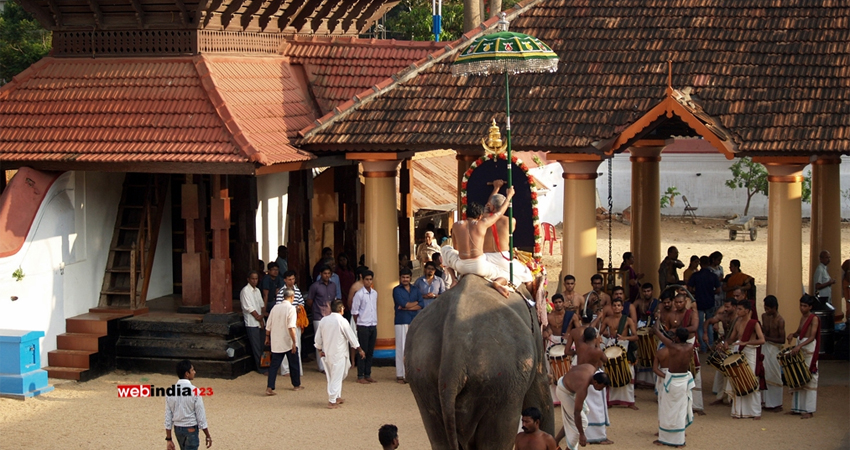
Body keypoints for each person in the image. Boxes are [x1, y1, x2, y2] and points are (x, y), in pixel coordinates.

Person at [441, 189, 515, 297]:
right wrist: (509, 196)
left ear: (466, 214)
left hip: (461, 266)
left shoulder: (456, 225)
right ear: (480, 216)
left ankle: (454, 280)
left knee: (445, 249)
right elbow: (499, 213)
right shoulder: (482, 223)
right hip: (480, 266)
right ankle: (497, 282)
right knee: (505, 275)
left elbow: (456, 247)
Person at [314, 300, 365, 409]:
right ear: (341, 309)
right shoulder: (342, 321)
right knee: (335, 377)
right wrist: (359, 349)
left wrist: (319, 349)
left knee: (337, 375)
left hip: (328, 353)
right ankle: (332, 401)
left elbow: (318, 338)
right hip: (338, 354)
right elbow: (351, 337)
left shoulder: (323, 320)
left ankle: (337, 396)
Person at [482, 179, 534, 284]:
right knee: (528, 276)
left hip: (484, 258)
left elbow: (488, 206)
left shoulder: (482, 218)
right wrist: (509, 196)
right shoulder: (510, 221)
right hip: (502, 258)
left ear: (490, 206)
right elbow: (495, 209)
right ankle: (531, 300)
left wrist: (496, 188)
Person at [652, 325, 695, 448]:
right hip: (683, 380)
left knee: (667, 410)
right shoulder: (690, 347)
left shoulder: (672, 347)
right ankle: (679, 441)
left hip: (671, 380)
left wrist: (656, 328)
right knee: (680, 410)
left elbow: (660, 336)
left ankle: (664, 438)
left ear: (676, 337)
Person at [723, 300, 764, 420]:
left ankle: (755, 412)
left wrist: (746, 342)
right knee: (738, 378)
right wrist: (725, 343)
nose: (738, 311)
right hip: (738, 350)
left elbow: (762, 340)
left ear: (747, 310)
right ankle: (738, 411)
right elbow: (732, 338)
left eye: (740, 309)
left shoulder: (754, 323)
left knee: (751, 379)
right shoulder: (737, 322)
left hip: (750, 351)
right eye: (738, 309)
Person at [663, 293, 703, 415]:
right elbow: (667, 329)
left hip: (689, 345)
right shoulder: (671, 315)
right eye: (676, 302)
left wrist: (677, 330)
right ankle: (678, 405)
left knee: (694, 373)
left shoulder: (692, 313)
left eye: (681, 302)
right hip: (675, 346)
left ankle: (696, 406)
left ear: (685, 302)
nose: (678, 304)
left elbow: (694, 327)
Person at [554, 365, 610, 450]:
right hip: (564, 391)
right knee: (583, 422)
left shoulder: (591, 368)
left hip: (567, 383)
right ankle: (570, 448)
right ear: (595, 382)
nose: (600, 390)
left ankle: (555, 441)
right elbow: (576, 413)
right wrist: (582, 434)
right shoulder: (583, 388)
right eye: (600, 387)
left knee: (585, 411)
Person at [573, 326, 612, 445]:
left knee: (584, 407)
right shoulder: (597, 351)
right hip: (593, 378)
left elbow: (580, 339)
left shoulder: (579, 347)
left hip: (580, 377)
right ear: (595, 337)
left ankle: (585, 435)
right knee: (597, 408)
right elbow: (605, 360)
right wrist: (598, 343)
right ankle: (599, 436)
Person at [600, 297, 638, 410]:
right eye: (614, 305)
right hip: (611, 345)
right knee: (610, 371)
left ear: (622, 307)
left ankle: (630, 402)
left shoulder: (628, 320)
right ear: (611, 307)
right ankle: (610, 401)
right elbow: (600, 332)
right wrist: (599, 338)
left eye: (618, 305)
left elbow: (636, 336)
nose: (616, 307)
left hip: (624, 346)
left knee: (628, 372)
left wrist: (625, 337)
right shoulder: (607, 319)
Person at [165, 360, 212, 450]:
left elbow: (168, 415)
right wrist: (207, 435)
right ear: (187, 373)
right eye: (192, 370)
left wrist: (169, 438)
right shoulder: (195, 391)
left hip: (178, 429)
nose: (194, 372)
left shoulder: (170, 391)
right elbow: (200, 416)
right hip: (191, 428)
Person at [786, 295, 820, 419]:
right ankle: (797, 408)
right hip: (800, 346)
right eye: (801, 305)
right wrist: (792, 335)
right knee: (798, 375)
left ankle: (809, 410)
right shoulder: (803, 317)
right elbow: (800, 331)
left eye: (805, 306)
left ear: (810, 307)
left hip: (808, 348)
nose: (802, 308)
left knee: (809, 377)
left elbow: (812, 336)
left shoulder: (814, 318)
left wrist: (800, 346)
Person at [265, 288, 303, 395]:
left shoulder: (275, 308)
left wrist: (267, 337)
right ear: (292, 297)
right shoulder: (291, 309)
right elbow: (291, 327)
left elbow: (268, 325)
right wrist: (294, 342)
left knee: (274, 365)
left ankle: (270, 387)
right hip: (288, 340)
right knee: (294, 363)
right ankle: (296, 385)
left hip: (277, 340)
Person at [307, 265, 340, 373]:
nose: (327, 275)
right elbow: (309, 301)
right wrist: (316, 310)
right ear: (320, 274)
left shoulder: (333, 285)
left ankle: (329, 363)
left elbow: (335, 300)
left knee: (330, 340)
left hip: (331, 316)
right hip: (319, 316)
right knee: (320, 341)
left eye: (328, 273)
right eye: (325, 273)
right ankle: (321, 366)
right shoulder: (315, 286)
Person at [393, 268, 422, 383]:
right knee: (401, 347)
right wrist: (409, 305)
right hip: (401, 321)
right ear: (400, 278)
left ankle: (410, 374)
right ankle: (400, 374)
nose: (405, 279)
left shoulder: (415, 289)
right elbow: (402, 303)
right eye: (403, 277)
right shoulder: (396, 290)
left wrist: (407, 307)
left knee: (412, 348)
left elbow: (421, 304)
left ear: (410, 278)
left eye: (407, 277)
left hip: (413, 320)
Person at [687, 256, 721, 352]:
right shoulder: (713, 276)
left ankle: (703, 346)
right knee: (709, 323)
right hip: (710, 302)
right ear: (709, 263)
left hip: (699, 303)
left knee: (700, 325)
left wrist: (696, 292)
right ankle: (710, 344)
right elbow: (718, 290)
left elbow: (689, 289)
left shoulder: (695, 275)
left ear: (700, 264)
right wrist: (710, 292)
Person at [351, 270, 378, 384]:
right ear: (363, 280)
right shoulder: (359, 294)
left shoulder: (375, 293)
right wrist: (358, 324)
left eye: (370, 279)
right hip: (363, 325)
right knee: (363, 351)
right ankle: (360, 375)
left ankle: (368, 374)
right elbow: (354, 311)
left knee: (371, 351)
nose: (368, 281)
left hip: (372, 324)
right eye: (366, 279)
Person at [761, 295, 785, 411]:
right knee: (764, 374)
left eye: (768, 309)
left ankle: (777, 403)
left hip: (774, 349)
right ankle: (766, 402)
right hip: (765, 348)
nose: (766, 311)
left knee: (775, 376)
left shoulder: (780, 320)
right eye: (765, 308)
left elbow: (782, 339)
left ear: (774, 307)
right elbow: (764, 331)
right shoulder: (764, 316)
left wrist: (767, 338)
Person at [239, 271, 266, 375]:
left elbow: (261, 304)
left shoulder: (257, 290)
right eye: (253, 279)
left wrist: (262, 317)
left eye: (256, 279)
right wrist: (259, 318)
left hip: (260, 321)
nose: (255, 281)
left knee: (263, 345)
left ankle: (265, 364)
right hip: (252, 322)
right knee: (256, 347)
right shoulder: (245, 291)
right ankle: (261, 368)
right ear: (248, 279)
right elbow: (248, 307)